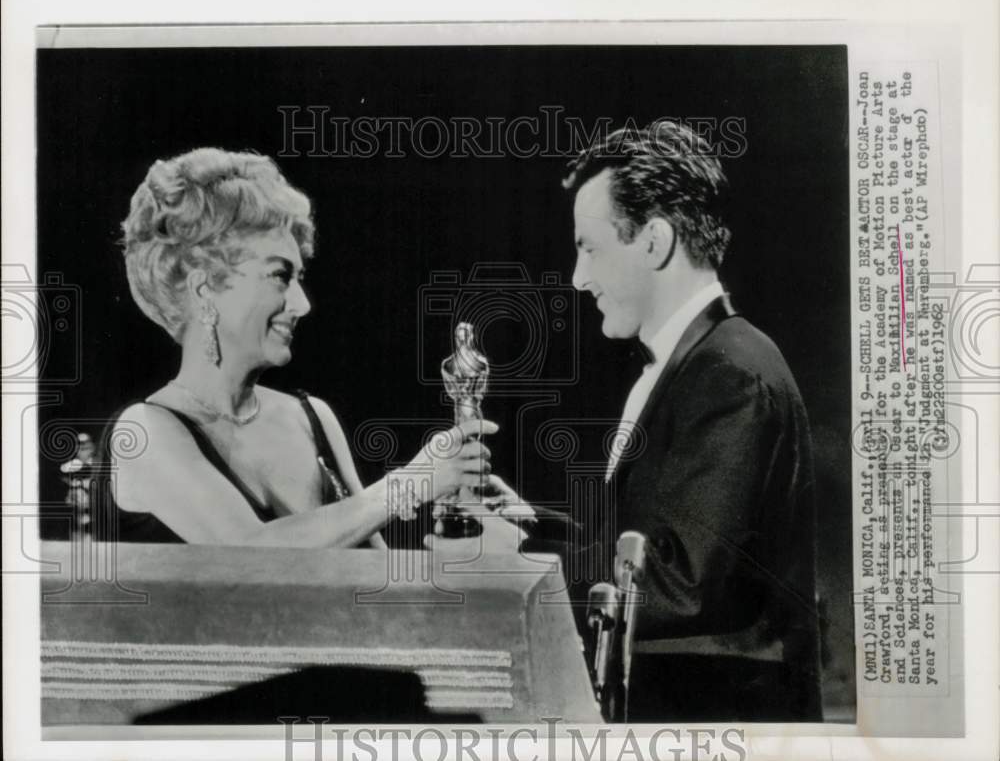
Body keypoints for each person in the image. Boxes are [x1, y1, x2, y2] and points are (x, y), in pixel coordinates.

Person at [104, 147, 515, 548]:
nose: (302, 304)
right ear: (204, 288)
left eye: (300, 277)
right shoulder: (146, 431)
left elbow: (365, 585)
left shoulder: (311, 417)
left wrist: (462, 526)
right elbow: (252, 554)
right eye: (280, 276)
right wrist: (413, 482)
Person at [563, 122, 822, 721]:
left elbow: (680, 585)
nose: (578, 278)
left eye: (589, 247)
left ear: (654, 242)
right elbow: (644, 550)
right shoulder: (702, 365)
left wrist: (527, 566)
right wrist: (527, 527)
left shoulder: (730, 373)